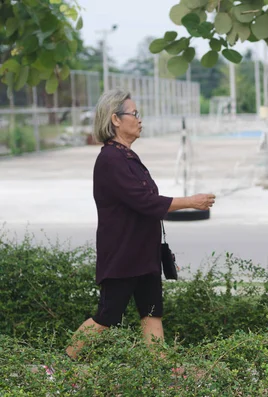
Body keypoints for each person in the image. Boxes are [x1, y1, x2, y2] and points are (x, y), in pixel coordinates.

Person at [66, 89, 215, 359]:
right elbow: (145, 202)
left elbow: (146, 202)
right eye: (134, 114)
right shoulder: (110, 159)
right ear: (115, 119)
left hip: (144, 254)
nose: (139, 119)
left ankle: (160, 374)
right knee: (106, 317)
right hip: (123, 255)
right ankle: (57, 369)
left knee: (152, 313)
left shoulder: (127, 157)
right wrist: (191, 201)